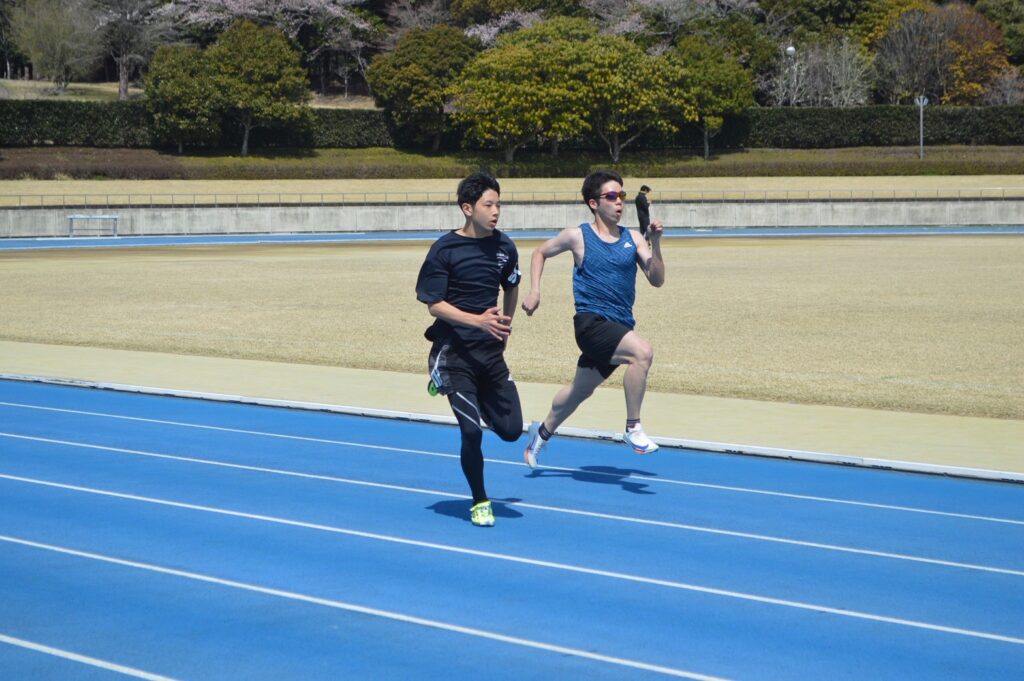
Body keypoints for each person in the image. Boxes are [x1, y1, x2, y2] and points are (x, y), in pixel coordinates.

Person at [521, 170, 665, 468]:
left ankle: (540, 434)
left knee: (579, 391)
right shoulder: (578, 236)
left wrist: (657, 244)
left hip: (619, 326)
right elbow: (539, 253)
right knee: (642, 353)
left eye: (621, 195)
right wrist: (535, 290)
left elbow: (657, 279)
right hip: (590, 324)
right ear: (593, 203)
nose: (619, 201)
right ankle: (633, 427)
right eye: (611, 196)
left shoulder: (633, 237)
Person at [415, 171, 523, 527]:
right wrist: (477, 321)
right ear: (467, 208)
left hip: (490, 354)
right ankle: (480, 500)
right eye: (488, 205)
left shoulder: (505, 247)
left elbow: (511, 284)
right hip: (454, 353)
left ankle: (474, 398)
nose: (496, 211)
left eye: (498, 205)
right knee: (472, 431)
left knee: (511, 430)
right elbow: (434, 304)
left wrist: (505, 325)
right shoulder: (444, 249)